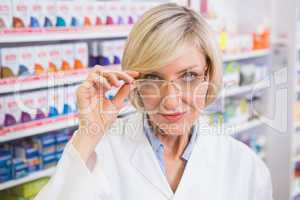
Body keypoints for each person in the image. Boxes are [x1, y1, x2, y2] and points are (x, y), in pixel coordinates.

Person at [35, 3, 273, 200]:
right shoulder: (101, 153)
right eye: (152, 77)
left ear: (208, 75)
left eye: (188, 76)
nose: (170, 101)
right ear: (133, 81)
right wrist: (88, 134)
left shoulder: (246, 168)